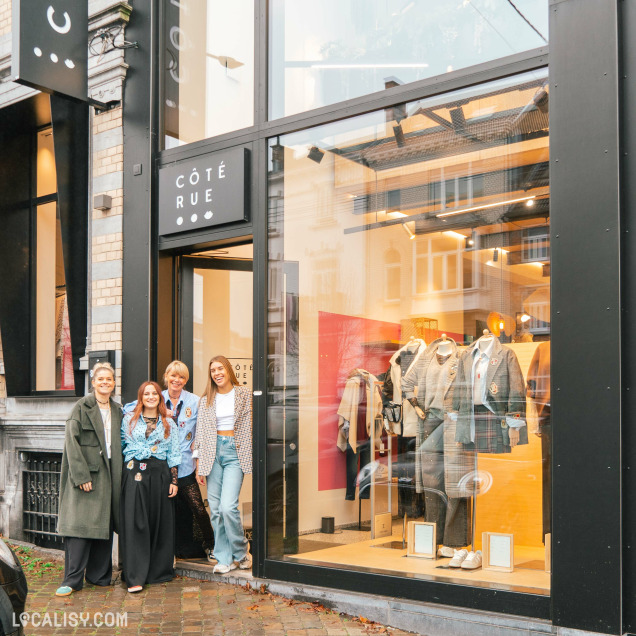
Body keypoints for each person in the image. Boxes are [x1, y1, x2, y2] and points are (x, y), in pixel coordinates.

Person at [123, 361, 214, 561]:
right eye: (173, 376)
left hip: (186, 464)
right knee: (164, 512)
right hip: (162, 466)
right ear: (166, 377)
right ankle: (167, 552)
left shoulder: (194, 401)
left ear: (185, 380)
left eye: (181, 377)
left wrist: (197, 447)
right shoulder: (156, 397)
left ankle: (211, 545)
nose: (177, 380)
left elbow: (204, 427)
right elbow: (129, 409)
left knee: (198, 507)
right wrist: (160, 413)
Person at [56, 361, 123, 597]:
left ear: (114, 383)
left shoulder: (118, 410)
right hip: (87, 475)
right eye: (100, 379)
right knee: (80, 528)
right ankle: (72, 580)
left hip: (111, 473)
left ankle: (99, 576)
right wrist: (81, 475)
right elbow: (71, 443)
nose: (105, 382)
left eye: (109, 379)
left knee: (103, 526)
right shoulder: (81, 407)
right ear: (93, 382)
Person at [120, 381, 181, 592]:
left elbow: (174, 452)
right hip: (134, 471)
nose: (151, 396)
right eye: (146, 394)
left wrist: (174, 481)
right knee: (137, 523)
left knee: (158, 521)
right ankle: (135, 575)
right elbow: (124, 444)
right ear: (141, 397)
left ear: (160, 396)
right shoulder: (129, 419)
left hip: (160, 473)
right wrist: (143, 451)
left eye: (154, 393)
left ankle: (157, 572)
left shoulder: (169, 423)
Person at [194, 355, 252, 574]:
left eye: (220, 369)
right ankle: (224, 558)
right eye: (213, 370)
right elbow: (200, 431)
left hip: (235, 451)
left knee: (228, 507)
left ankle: (241, 552)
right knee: (216, 510)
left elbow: (253, 424)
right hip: (212, 453)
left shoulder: (244, 394)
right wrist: (199, 462)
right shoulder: (206, 398)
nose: (217, 373)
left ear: (228, 370)